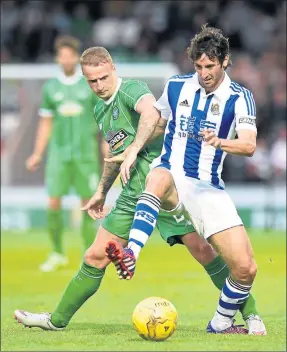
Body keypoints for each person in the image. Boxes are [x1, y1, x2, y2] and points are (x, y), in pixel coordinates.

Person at [14, 46, 264, 335]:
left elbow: (150, 113)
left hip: (167, 186)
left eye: (103, 78)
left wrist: (136, 149)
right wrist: (101, 191)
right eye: (92, 81)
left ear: (113, 69)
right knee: (94, 256)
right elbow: (114, 154)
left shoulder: (132, 90)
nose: (99, 86)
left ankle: (252, 314)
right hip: (133, 193)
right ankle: (56, 321)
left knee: (203, 251)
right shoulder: (99, 109)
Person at [107, 25, 267, 335]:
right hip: (172, 177)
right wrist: (133, 150)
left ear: (225, 61)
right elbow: (155, 121)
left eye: (210, 66)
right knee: (158, 174)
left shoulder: (240, 97)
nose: (204, 73)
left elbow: (248, 145)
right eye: (198, 66)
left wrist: (220, 141)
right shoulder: (177, 86)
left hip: (207, 187)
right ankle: (131, 254)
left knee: (246, 269)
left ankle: (220, 324)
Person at [25, 35, 105, 272]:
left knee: (89, 204)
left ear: (76, 58)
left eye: (71, 55)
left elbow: (101, 121)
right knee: (53, 202)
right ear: (58, 58)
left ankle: (88, 253)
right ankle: (57, 252)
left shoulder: (88, 85)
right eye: (63, 55)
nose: (66, 59)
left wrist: (107, 149)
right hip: (59, 155)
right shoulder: (51, 87)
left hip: (86, 155)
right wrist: (37, 153)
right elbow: (45, 123)